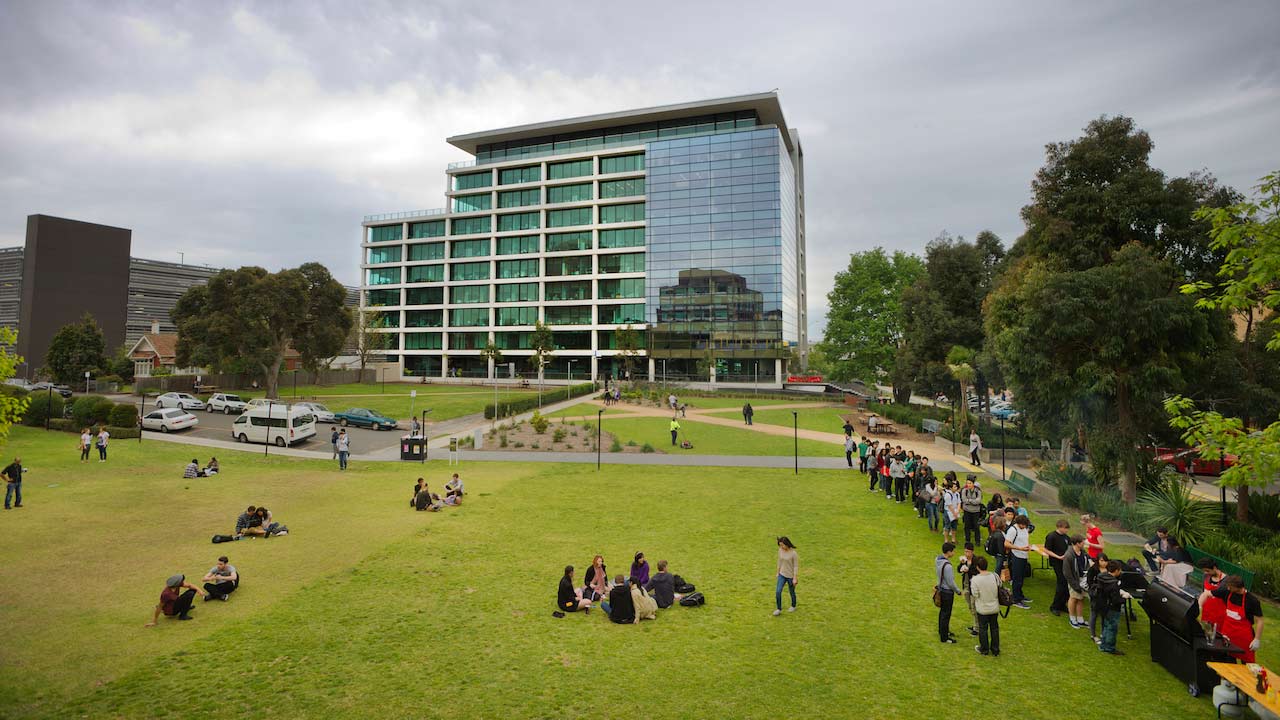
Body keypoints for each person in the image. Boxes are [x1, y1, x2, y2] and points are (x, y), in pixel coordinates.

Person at [1199, 575, 1264, 663]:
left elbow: (1260, 620)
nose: (1228, 588)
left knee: (1247, 663)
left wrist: (1257, 639)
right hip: (1228, 635)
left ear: (1238, 587)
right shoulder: (1226, 592)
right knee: (1228, 660)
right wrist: (1199, 606)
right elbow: (1206, 593)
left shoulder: (1252, 601)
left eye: (1230, 586)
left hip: (1244, 638)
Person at [1096, 560, 1131, 655]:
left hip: (1103, 606)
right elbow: (1116, 600)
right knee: (1112, 628)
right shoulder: (1113, 583)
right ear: (1116, 571)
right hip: (1112, 608)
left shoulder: (1101, 577)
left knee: (1106, 626)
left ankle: (1103, 645)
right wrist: (1124, 598)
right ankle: (1110, 647)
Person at [970, 555, 1001, 656]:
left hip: (983, 609)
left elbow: (975, 594)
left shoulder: (975, 580)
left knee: (983, 629)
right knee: (994, 628)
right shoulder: (994, 576)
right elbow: (1000, 586)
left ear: (977, 567)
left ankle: (984, 649)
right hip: (994, 607)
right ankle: (995, 649)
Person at [1043, 519, 1072, 617]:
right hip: (1057, 562)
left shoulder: (1066, 537)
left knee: (1066, 584)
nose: (1067, 530)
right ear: (1060, 527)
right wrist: (1058, 556)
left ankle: (1062, 604)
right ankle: (1054, 606)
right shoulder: (1052, 536)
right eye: (1065, 528)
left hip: (1065, 563)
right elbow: (1046, 550)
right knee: (1061, 583)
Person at [1004, 514, 1033, 609]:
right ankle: (1016, 599)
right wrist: (1019, 548)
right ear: (1018, 523)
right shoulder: (1013, 530)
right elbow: (1007, 543)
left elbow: (1025, 539)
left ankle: (1020, 595)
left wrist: (1028, 546)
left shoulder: (1024, 529)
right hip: (1016, 556)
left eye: (1025, 525)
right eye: (1023, 525)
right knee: (1016, 578)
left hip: (1024, 556)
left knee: (1021, 577)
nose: (1024, 527)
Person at [1062, 534, 1090, 630]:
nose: (1084, 544)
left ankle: (1080, 619)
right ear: (1077, 543)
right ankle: (1072, 618)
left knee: (1081, 598)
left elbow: (1087, 562)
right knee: (1073, 598)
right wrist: (1074, 585)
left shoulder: (1083, 552)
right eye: (1083, 542)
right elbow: (1067, 572)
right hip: (1073, 580)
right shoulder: (1069, 555)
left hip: (1083, 579)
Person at [936, 542, 960, 643]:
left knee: (942, 612)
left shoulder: (938, 560)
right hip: (947, 592)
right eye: (953, 551)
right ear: (949, 552)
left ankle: (942, 631)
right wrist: (958, 591)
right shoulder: (948, 566)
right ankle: (944, 637)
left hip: (941, 589)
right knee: (946, 614)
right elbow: (951, 582)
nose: (954, 553)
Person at [957, 542, 979, 637]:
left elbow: (977, 572)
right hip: (966, 587)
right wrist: (961, 565)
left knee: (975, 608)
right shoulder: (964, 560)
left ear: (972, 552)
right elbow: (958, 570)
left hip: (973, 588)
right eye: (965, 551)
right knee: (970, 607)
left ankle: (977, 628)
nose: (967, 554)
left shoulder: (976, 560)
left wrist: (968, 570)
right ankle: (975, 625)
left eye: (968, 552)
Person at [773, 536, 798, 616]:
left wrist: (794, 578)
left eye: (782, 545)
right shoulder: (780, 550)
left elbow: (795, 566)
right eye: (780, 545)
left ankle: (793, 606)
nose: (781, 547)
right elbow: (779, 562)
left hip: (790, 576)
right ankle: (778, 609)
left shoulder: (793, 553)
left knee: (791, 592)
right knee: (778, 591)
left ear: (787, 544)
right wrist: (777, 572)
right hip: (782, 574)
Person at [960, 475, 984, 546]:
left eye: (970, 483)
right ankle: (967, 540)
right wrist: (973, 501)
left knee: (976, 526)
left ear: (973, 483)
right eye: (967, 483)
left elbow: (978, 501)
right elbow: (964, 500)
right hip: (967, 511)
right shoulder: (964, 490)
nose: (968, 485)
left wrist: (969, 501)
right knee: (967, 525)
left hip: (975, 511)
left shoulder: (978, 491)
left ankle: (977, 541)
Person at [942, 474, 961, 544]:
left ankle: (953, 539)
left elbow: (959, 502)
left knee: (954, 526)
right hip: (948, 512)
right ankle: (946, 540)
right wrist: (954, 513)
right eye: (954, 487)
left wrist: (957, 511)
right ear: (950, 488)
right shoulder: (947, 495)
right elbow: (949, 505)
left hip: (955, 511)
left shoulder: (957, 494)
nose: (956, 488)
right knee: (947, 526)